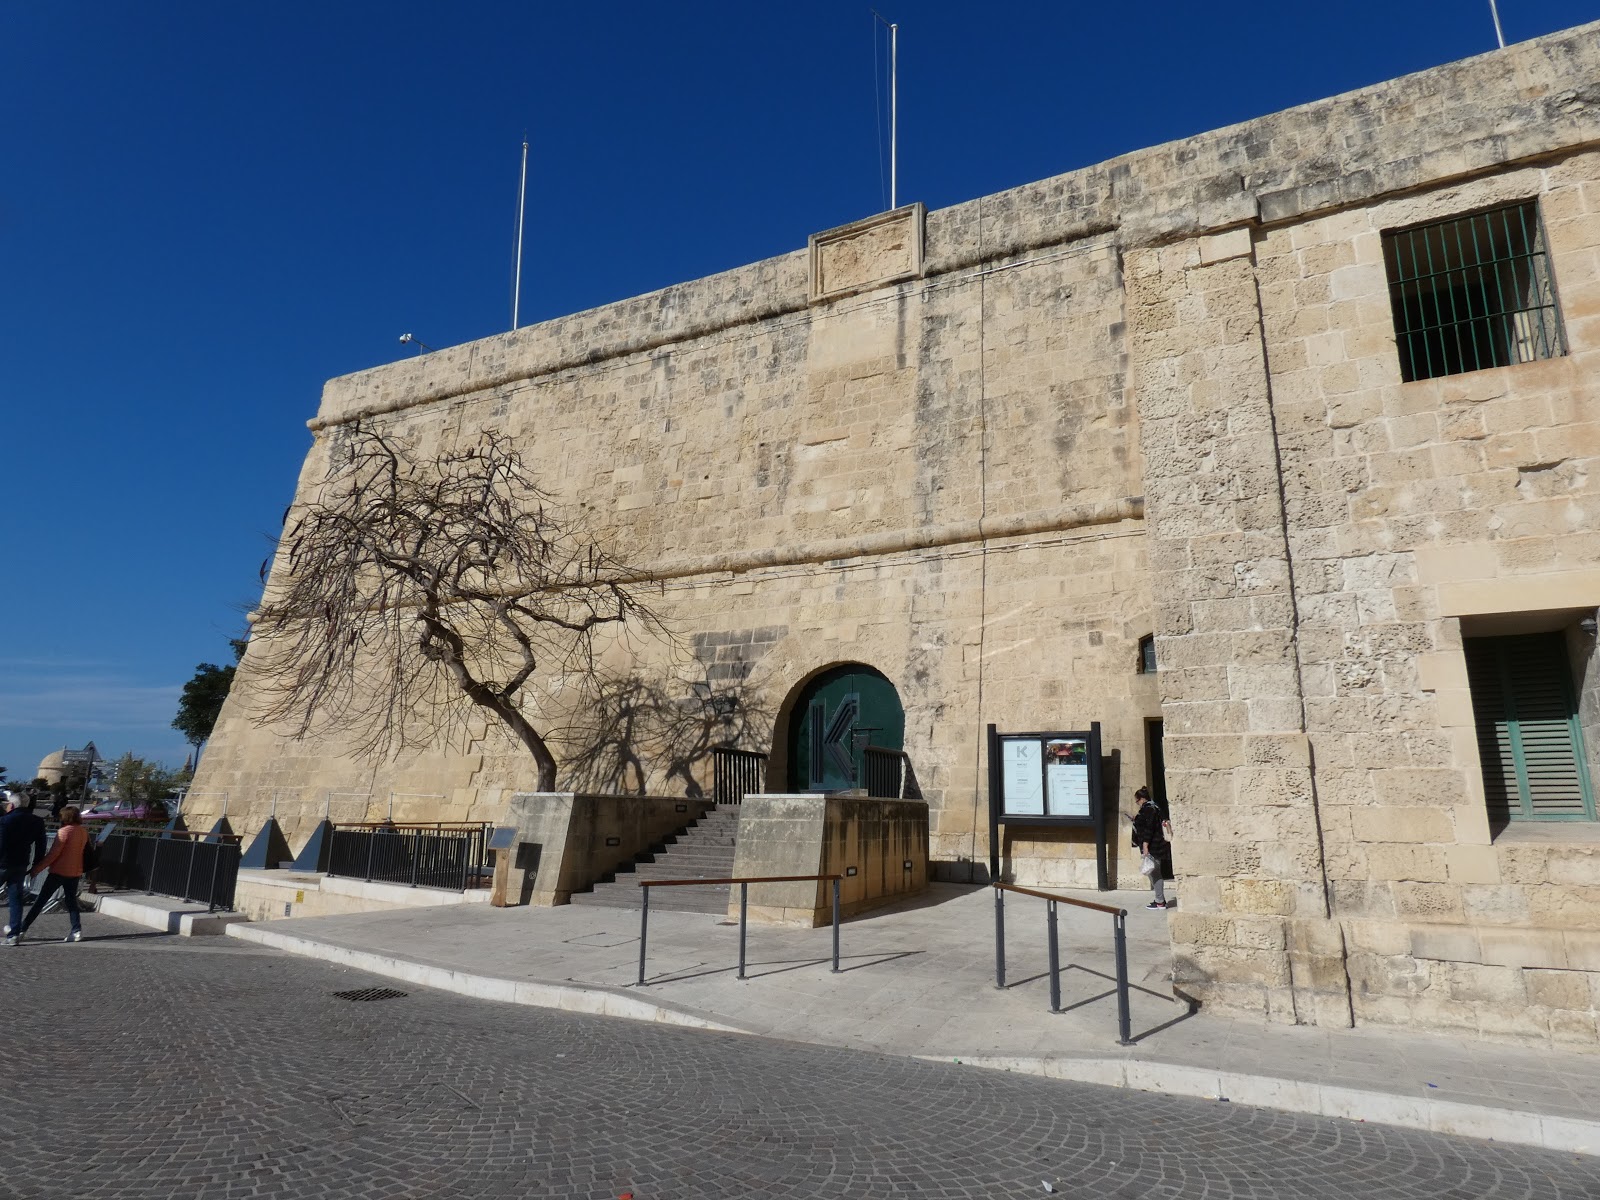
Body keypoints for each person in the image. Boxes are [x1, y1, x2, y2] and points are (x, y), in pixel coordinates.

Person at [14, 805, 89, 944]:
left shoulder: (63, 832)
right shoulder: (83, 832)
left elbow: (53, 855)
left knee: (40, 901)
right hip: (75, 871)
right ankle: (76, 930)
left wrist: (36, 869)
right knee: (71, 902)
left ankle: (22, 929)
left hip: (58, 871)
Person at [0, 792, 47, 943]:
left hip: (3, 863)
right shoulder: (37, 821)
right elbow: (41, 845)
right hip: (21, 864)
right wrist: (36, 865)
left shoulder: (4, 820)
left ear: (12, 805)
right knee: (16, 899)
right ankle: (14, 934)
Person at [1131, 786, 1173, 911]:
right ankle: (1160, 899)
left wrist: (1145, 845)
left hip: (1153, 846)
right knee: (1154, 872)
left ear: (1142, 799)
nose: (1137, 803)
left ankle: (1160, 901)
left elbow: (1149, 828)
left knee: (1154, 873)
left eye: (1137, 801)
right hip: (1157, 845)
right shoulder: (1155, 807)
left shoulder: (1149, 809)